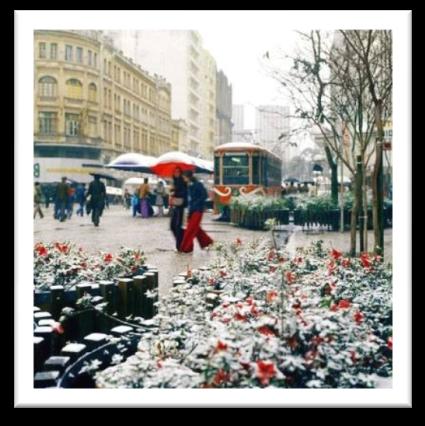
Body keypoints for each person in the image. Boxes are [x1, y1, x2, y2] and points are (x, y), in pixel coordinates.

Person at [179, 170, 213, 253]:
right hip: (191, 210)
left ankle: (185, 248)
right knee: (196, 229)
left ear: (188, 177)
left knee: (190, 229)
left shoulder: (198, 184)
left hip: (198, 209)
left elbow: (204, 196)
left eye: (184, 178)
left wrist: (196, 203)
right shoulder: (189, 186)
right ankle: (207, 242)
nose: (184, 180)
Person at [169, 167, 187, 251]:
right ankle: (181, 243)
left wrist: (175, 192)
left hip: (182, 206)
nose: (176, 173)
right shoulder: (175, 181)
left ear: (180, 172)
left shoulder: (183, 181)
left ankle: (180, 246)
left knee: (178, 226)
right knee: (173, 226)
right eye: (175, 171)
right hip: (176, 206)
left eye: (178, 171)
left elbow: (184, 193)